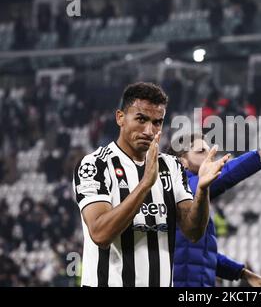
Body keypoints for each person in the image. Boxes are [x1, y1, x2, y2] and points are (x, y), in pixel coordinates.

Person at [72, 82, 230, 287]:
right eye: (141, 119)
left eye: (157, 122)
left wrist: (202, 189)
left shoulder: (171, 166)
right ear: (120, 117)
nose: (149, 130)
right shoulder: (95, 164)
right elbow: (100, 234)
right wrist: (146, 183)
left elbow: (193, 232)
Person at [167, 124, 261, 287]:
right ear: (182, 162)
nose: (209, 156)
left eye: (209, 151)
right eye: (201, 151)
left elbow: (202, 255)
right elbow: (227, 174)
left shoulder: (198, 196)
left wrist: (244, 273)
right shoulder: (179, 188)